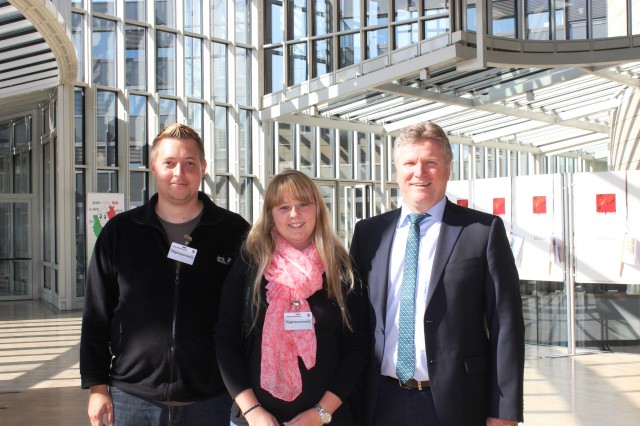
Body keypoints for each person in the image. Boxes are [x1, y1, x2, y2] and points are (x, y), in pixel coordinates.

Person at [349, 121, 524, 426]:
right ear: (396, 170)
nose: (420, 172)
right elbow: (355, 320)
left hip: (455, 403)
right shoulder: (368, 234)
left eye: (431, 162)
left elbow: (505, 324)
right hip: (379, 401)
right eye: (410, 163)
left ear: (447, 168)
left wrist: (504, 411)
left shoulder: (482, 232)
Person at [80, 124, 251, 426]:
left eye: (189, 164)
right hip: (132, 398)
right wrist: (96, 386)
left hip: (213, 399)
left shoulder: (234, 232)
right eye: (169, 163)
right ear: (153, 167)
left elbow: (250, 316)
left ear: (203, 168)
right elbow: (96, 314)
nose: (179, 173)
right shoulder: (120, 232)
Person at [215, 169, 369, 425]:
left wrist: (321, 413)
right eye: (283, 207)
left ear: (318, 209)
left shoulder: (340, 268)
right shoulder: (250, 263)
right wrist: (253, 412)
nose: (295, 214)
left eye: (303, 204)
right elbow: (225, 339)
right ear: (271, 215)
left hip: (328, 419)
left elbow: (357, 347)